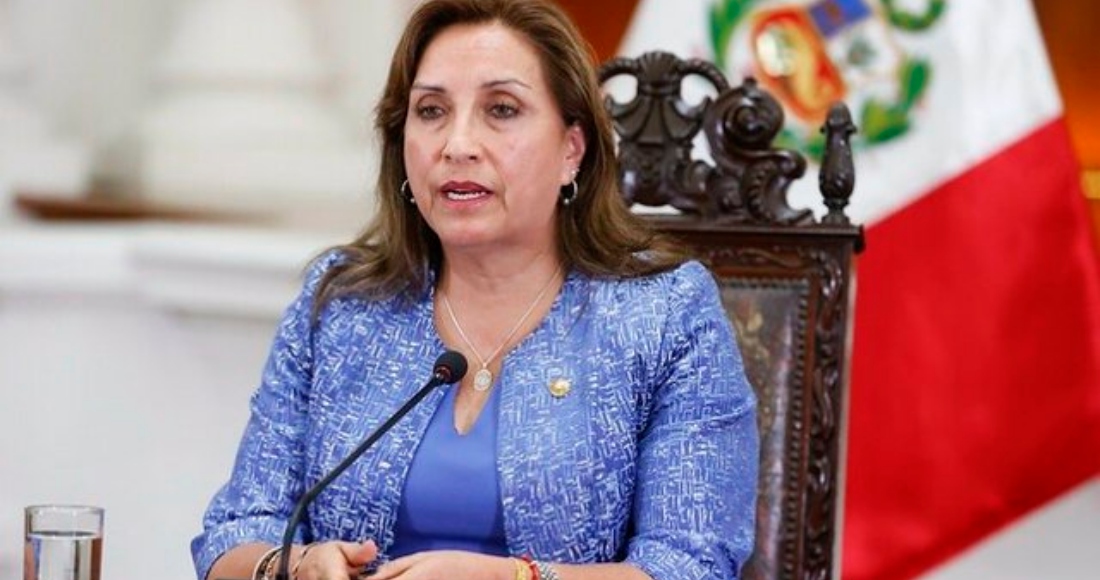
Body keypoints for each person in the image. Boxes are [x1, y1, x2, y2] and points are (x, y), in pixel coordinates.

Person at [190, 0, 759, 579]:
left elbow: (692, 564)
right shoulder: (342, 304)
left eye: (501, 109)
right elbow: (233, 533)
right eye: (431, 111)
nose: (457, 144)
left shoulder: (663, 313)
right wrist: (295, 565)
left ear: (572, 149)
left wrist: (510, 577)